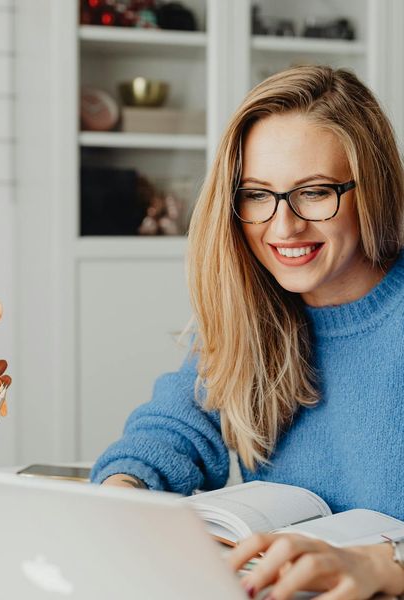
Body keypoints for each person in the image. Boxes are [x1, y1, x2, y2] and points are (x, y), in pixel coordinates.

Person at [90, 65, 404, 599]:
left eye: (315, 192)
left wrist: (386, 566)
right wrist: (124, 491)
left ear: (370, 188)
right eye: (257, 195)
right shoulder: (253, 309)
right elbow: (174, 431)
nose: (283, 227)